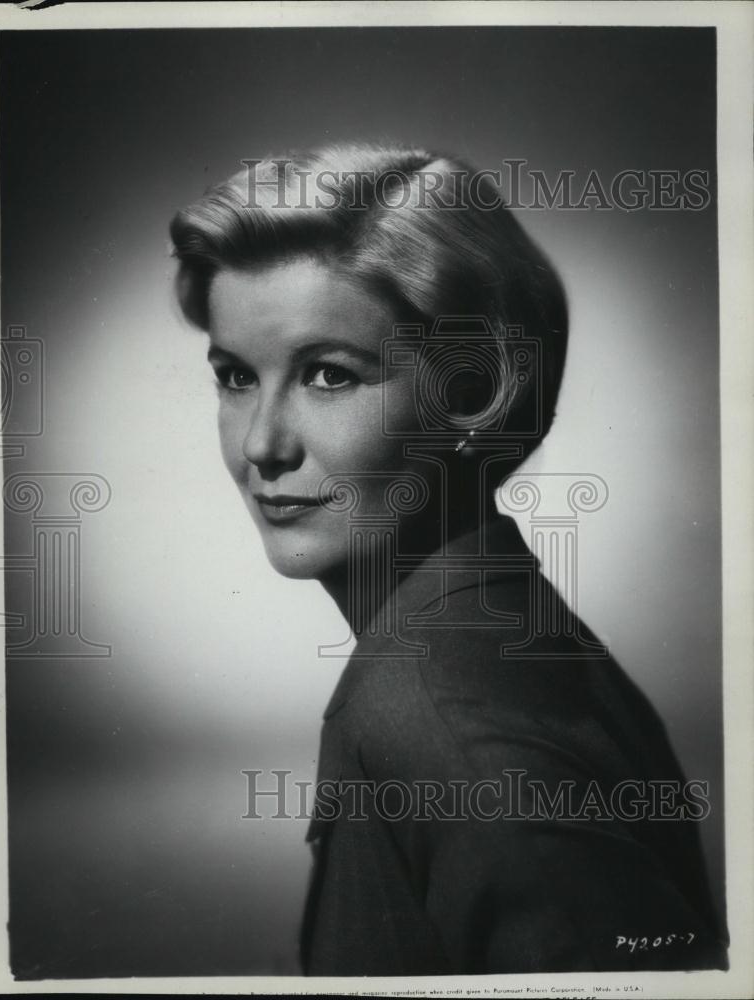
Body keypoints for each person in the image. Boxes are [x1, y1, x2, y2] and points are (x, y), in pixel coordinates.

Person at [170, 143, 728, 975]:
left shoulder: (442, 731)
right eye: (236, 376)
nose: (263, 445)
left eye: (328, 375)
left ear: (472, 390)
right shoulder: (506, 637)